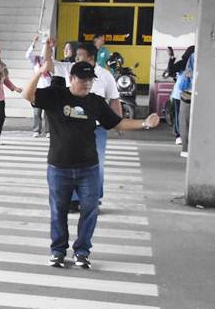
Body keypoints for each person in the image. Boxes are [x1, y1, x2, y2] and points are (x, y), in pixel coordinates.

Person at [23, 54, 159, 269]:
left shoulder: (95, 101)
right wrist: (39, 72)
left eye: (90, 80)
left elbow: (117, 123)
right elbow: (27, 94)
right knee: (58, 211)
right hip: (59, 167)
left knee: (90, 209)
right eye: (83, 80)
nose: (87, 84)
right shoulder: (55, 95)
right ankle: (58, 251)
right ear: (72, 78)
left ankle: (82, 251)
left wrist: (145, 123)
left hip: (88, 168)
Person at [44, 40, 121, 210]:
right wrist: (48, 48)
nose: (75, 58)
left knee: (97, 165)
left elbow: (114, 99)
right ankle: (72, 200)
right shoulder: (68, 69)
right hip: (70, 126)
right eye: (76, 55)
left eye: (80, 55)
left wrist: (118, 123)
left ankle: (94, 200)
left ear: (91, 58)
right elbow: (48, 65)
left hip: (96, 129)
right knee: (70, 164)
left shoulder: (105, 76)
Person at [26, 35, 53, 137]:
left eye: (45, 48)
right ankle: (36, 130)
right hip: (37, 89)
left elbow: (51, 51)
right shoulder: (36, 60)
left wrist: (50, 45)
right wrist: (33, 43)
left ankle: (48, 131)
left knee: (48, 113)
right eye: (42, 47)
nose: (43, 50)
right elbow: (28, 55)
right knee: (37, 112)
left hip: (48, 89)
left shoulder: (50, 61)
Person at [177, 48, 195, 158]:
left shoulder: (193, 56)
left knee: (185, 122)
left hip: (188, 93)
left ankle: (185, 148)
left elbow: (188, 73)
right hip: (201, 94)